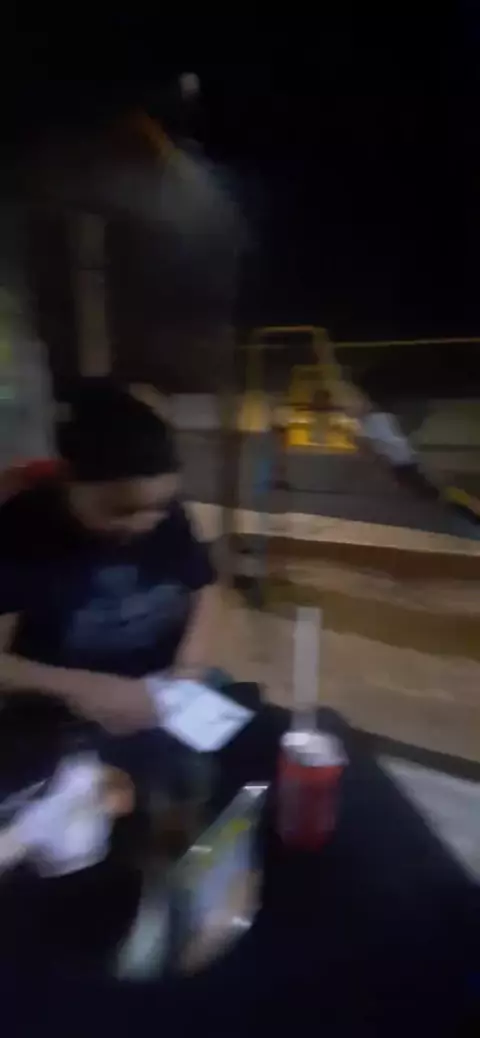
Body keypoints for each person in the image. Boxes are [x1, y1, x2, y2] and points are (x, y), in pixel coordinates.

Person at [0, 378, 219, 733]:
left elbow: (204, 589)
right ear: (68, 481)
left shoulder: (169, 518)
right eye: (121, 510)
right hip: (61, 712)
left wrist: (188, 670)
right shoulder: (21, 530)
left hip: (163, 690)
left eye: (161, 505)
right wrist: (88, 689)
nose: (145, 523)